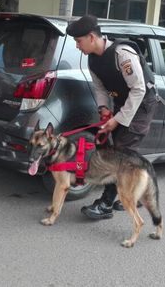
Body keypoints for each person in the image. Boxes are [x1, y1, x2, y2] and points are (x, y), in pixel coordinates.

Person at [66, 15, 158, 220]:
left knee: (120, 153)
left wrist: (117, 120)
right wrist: (103, 110)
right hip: (123, 104)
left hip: (141, 105)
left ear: (91, 37)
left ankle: (106, 204)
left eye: (78, 41)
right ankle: (137, 191)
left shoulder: (122, 54)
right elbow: (99, 87)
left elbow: (139, 89)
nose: (77, 46)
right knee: (117, 148)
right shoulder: (93, 59)